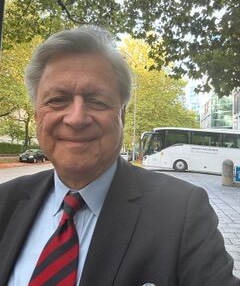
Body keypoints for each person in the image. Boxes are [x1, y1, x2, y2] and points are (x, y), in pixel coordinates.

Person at [0, 26, 239, 286]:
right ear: (37, 115)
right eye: (58, 100)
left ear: (122, 116)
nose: (77, 118)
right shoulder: (5, 202)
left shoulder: (182, 212)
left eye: (97, 101)